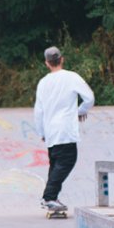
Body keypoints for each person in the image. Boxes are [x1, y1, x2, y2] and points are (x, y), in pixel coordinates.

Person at [33, 46, 95, 214]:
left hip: (51, 131)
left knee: (56, 165)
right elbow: (89, 98)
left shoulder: (43, 82)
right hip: (65, 130)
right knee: (67, 161)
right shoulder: (71, 77)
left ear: (47, 63)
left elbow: (38, 110)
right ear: (62, 59)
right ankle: (49, 197)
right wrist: (80, 111)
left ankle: (52, 197)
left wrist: (42, 132)